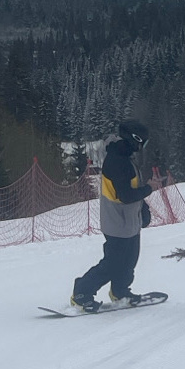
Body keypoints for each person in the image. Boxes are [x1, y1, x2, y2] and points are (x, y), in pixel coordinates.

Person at [71, 119, 155, 310]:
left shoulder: (126, 158)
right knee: (113, 263)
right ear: (134, 139)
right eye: (143, 143)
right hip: (117, 222)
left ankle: (120, 291)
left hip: (130, 222)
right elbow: (125, 195)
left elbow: (132, 188)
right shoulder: (117, 161)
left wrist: (143, 209)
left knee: (129, 260)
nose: (142, 148)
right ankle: (82, 292)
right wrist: (149, 189)